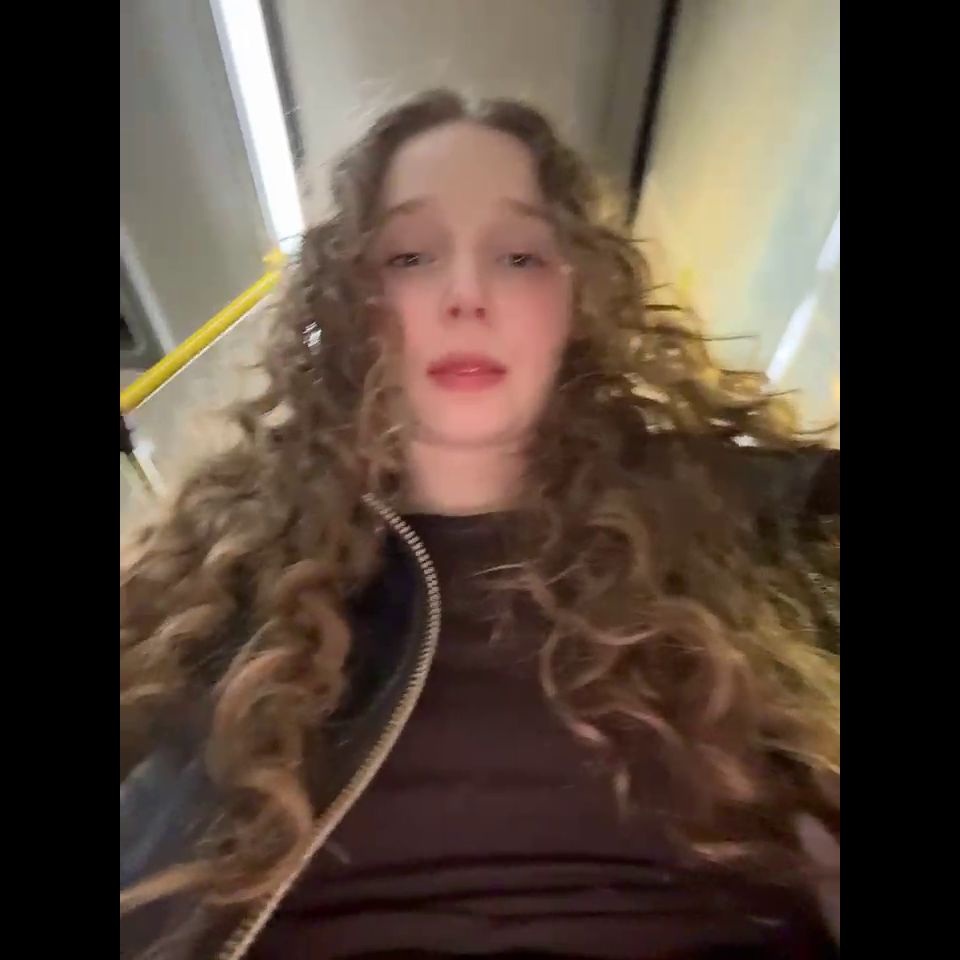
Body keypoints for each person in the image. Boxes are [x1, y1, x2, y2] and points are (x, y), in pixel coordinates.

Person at [120, 89, 839, 960]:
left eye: (519, 256)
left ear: (577, 298)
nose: (466, 295)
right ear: (354, 304)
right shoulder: (219, 576)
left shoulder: (762, 518)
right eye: (413, 256)